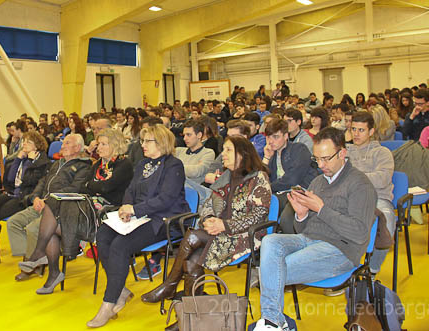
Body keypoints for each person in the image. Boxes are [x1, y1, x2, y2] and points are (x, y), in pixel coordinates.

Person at [253, 128, 377, 331]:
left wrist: (321, 209)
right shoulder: (318, 182)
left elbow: (359, 233)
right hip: (309, 240)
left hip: (341, 249)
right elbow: (305, 229)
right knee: (270, 241)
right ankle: (274, 321)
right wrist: (301, 215)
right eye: (317, 159)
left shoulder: (360, 184)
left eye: (326, 159)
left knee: (273, 270)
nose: (320, 165)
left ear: (342, 153)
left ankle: (272, 322)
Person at [141, 136, 272, 313]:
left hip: (243, 236)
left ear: (242, 154)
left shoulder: (258, 177)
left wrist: (225, 225)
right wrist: (208, 218)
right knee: (192, 261)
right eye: (223, 149)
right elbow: (209, 204)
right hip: (217, 231)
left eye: (228, 150)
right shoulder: (226, 177)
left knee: (193, 236)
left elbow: (259, 214)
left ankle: (170, 285)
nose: (223, 154)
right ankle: (191, 317)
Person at [87, 125, 189, 328]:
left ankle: (109, 303)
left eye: (147, 141)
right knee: (103, 235)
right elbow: (131, 190)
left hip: (163, 220)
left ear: (161, 142)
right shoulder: (143, 164)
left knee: (120, 245)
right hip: (139, 215)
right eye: (142, 141)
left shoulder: (173, 165)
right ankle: (120, 290)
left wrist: (135, 210)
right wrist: (127, 208)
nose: (142, 145)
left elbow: (166, 199)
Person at [16, 129, 133, 286]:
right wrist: (95, 186)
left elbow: (105, 187)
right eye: (99, 144)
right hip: (87, 207)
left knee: (51, 224)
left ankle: (41, 257)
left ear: (115, 145)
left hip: (107, 213)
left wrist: (93, 186)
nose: (99, 148)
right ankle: (52, 272)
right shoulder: (98, 165)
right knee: (52, 213)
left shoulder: (123, 164)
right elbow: (86, 187)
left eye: (103, 144)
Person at [5, 134, 92, 269]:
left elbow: (75, 189)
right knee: (13, 222)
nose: (62, 146)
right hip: (41, 203)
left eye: (67, 143)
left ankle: (30, 265)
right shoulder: (57, 163)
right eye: (63, 143)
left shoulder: (84, 167)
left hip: (59, 208)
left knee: (33, 228)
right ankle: (31, 258)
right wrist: (35, 197)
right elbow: (43, 181)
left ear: (77, 148)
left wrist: (48, 200)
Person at [0, 131, 51, 268]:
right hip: (13, 193)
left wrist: (30, 162)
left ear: (37, 145)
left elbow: (29, 181)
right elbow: (8, 180)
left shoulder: (43, 162)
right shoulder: (22, 158)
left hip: (25, 197)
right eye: (23, 141)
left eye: (28, 142)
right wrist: (18, 160)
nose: (24, 144)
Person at [347, 111, 395, 275]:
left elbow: (382, 179)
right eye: (353, 129)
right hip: (350, 199)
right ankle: (343, 270)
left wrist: (354, 177)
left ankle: (372, 270)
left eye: (361, 130)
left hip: (378, 199)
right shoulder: (344, 152)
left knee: (387, 220)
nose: (356, 134)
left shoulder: (382, 153)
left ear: (371, 131)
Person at [262, 117, 317, 233]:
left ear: (286, 136)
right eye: (268, 137)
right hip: (281, 194)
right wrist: (266, 157)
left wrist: (267, 188)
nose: (270, 141)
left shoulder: (299, 149)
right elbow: (262, 179)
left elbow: (292, 180)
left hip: (301, 192)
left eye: (275, 137)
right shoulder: (272, 155)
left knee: (286, 221)